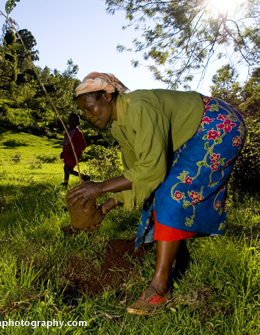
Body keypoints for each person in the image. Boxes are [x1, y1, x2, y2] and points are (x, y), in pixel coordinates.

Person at [67, 72, 246, 315]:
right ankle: (174, 264)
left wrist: (100, 186)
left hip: (217, 123)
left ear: (108, 96)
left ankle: (160, 289)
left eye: (90, 108)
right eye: (84, 113)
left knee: (172, 192)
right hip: (194, 133)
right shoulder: (120, 127)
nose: (88, 116)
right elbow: (136, 173)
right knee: (162, 191)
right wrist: (104, 208)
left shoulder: (138, 106)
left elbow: (152, 167)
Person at [60, 112, 90, 186]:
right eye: (70, 121)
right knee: (69, 170)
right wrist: (63, 153)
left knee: (66, 167)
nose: (71, 123)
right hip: (67, 154)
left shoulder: (78, 133)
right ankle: (85, 177)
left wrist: (76, 150)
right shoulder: (67, 132)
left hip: (74, 155)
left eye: (73, 121)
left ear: (77, 122)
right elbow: (65, 143)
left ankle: (65, 183)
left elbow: (83, 145)